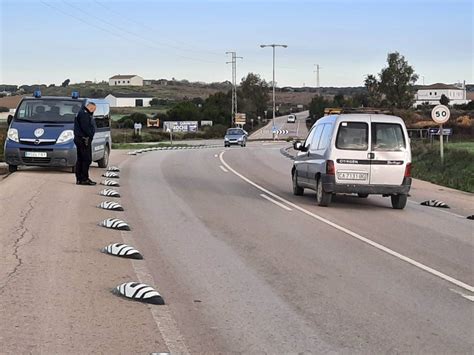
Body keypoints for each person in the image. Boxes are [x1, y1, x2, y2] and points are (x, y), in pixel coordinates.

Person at [74, 102, 96, 185]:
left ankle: (79, 179)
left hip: (79, 139)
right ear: (90, 108)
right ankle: (84, 179)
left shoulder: (80, 112)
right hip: (84, 139)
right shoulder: (84, 114)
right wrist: (91, 135)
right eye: (93, 110)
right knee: (86, 159)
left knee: (80, 159)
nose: (93, 112)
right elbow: (86, 128)